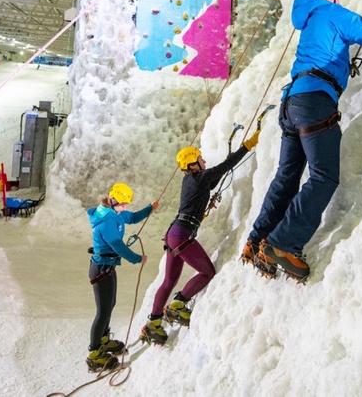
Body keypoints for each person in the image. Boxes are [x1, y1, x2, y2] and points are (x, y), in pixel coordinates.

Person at [240, 0, 362, 282]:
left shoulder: (311, 20)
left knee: (287, 175)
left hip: (291, 102)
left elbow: (340, 42)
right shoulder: (332, 12)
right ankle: (282, 244)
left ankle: (258, 240)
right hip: (314, 102)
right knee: (323, 177)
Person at [141, 130, 260, 346]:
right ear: (192, 163)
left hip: (173, 234)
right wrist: (247, 145)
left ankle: (153, 324)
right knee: (207, 272)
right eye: (200, 157)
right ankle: (179, 304)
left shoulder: (191, 180)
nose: (203, 160)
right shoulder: (199, 177)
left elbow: (213, 181)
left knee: (169, 280)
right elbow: (223, 169)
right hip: (182, 234)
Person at [86, 183, 160, 372]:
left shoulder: (116, 213)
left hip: (108, 267)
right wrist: (137, 258)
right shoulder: (106, 220)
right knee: (102, 311)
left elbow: (133, 217)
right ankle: (94, 354)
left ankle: (104, 340)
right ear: (112, 200)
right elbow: (118, 246)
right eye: (122, 204)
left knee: (110, 305)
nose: (125, 208)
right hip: (101, 269)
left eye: (126, 204)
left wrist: (149, 209)